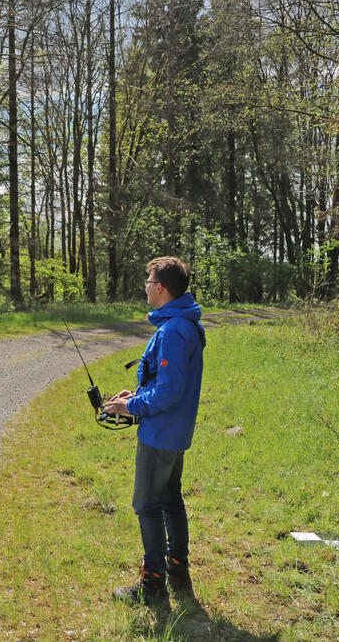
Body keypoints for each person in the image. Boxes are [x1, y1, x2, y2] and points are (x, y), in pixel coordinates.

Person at [102, 256, 205, 606]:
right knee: (169, 498)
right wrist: (136, 394)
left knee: (147, 504)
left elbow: (169, 392)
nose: (145, 287)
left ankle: (153, 584)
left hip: (161, 434)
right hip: (172, 432)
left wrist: (131, 407)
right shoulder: (179, 323)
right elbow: (164, 383)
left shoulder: (175, 330)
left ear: (160, 288)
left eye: (148, 281)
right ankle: (177, 565)